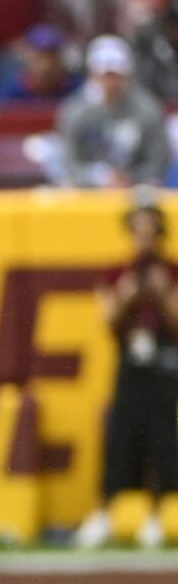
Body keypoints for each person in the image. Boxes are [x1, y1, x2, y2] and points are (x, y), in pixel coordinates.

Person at [74, 194, 178, 548]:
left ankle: (155, 515)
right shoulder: (117, 272)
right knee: (120, 435)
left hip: (164, 365)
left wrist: (164, 294)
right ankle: (105, 511)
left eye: (149, 231)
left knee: (161, 436)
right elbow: (108, 320)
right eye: (138, 231)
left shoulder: (172, 272)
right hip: (129, 363)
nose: (144, 239)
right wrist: (128, 295)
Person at [56, 36, 169, 190]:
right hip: (88, 186)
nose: (110, 82)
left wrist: (132, 178)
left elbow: (158, 158)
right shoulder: (75, 110)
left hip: (136, 185)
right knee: (65, 184)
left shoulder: (147, 108)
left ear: (127, 73)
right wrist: (97, 178)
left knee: (153, 186)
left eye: (116, 75)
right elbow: (68, 160)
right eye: (105, 75)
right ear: (92, 74)